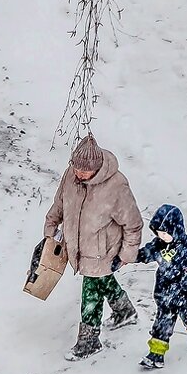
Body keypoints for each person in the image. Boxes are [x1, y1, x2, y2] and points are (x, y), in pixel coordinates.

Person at [44, 134, 143, 360]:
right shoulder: (71, 176)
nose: (78, 174)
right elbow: (59, 204)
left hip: (103, 250)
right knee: (102, 281)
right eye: (75, 168)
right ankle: (125, 311)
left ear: (97, 168)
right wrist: (51, 228)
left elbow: (133, 223)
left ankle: (89, 341)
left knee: (91, 291)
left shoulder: (116, 185)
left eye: (83, 171)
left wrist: (127, 254)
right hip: (78, 245)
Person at [135, 204, 187, 370]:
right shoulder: (159, 245)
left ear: (176, 230)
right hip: (166, 296)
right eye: (159, 233)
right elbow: (145, 254)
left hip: (186, 297)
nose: (161, 237)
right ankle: (156, 354)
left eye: (165, 233)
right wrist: (128, 257)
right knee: (162, 324)